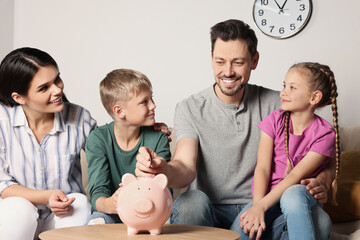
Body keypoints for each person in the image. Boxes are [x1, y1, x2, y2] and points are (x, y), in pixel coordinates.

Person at [135, 19, 334, 239]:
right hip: (211, 211)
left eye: (238, 62)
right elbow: (185, 165)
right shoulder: (189, 107)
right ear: (211, 60)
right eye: (220, 61)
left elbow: (322, 148)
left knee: (320, 222)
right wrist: (164, 169)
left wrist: (323, 181)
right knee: (191, 202)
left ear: (254, 60)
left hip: (265, 208)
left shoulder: (281, 104)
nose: (227, 72)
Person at [0, 47, 97, 240]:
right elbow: (2, 185)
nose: (58, 90)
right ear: (18, 97)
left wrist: (145, 128)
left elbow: (108, 152)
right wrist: (47, 196)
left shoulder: (79, 118)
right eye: (44, 88)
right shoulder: (2, 120)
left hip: (62, 216)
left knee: (78, 203)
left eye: (57, 80)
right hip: (15, 219)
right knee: (18, 207)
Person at [238, 62, 340, 240]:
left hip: (300, 196)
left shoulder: (325, 134)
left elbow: (294, 177)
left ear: (314, 97)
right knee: (240, 232)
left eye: (292, 87)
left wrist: (262, 207)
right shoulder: (274, 120)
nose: (284, 92)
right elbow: (262, 168)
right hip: (269, 197)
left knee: (292, 194)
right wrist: (257, 206)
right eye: (284, 85)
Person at [85, 68, 171, 225]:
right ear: (120, 111)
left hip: (151, 212)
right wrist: (111, 203)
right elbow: (98, 196)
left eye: (151, 98)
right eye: (144, 101)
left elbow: (164, 188)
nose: (153, 105)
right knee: (96, 221)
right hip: (114, 214)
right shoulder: (98, 139)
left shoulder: (159, 136)